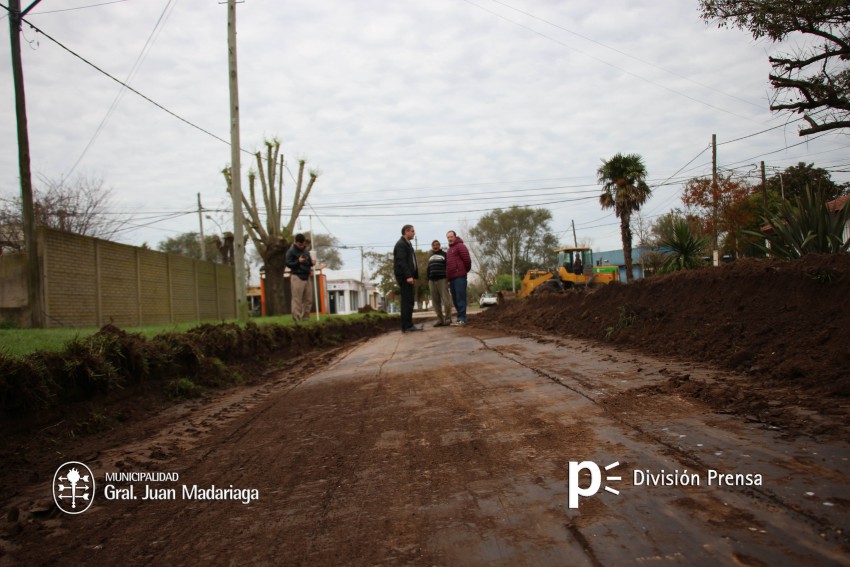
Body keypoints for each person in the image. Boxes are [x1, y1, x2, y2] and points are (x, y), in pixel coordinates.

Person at [393, 224, 422, 332]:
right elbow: (402, 262)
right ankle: (407, 326)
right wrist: (409, 276)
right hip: (405, 278)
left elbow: (411, 262)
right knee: (407, 301)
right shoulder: (401, 245)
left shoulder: (407, 244)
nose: (414, 233)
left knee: (409, 301)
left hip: (409, 277)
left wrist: (414, 276)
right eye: (412, 231)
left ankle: (408, 325)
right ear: (406, 232)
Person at [285, 233, 316, 322]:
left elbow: (309, 261)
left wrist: (311, 263)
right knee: (297, 299)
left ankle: (306, 317)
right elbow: (288, 264)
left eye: (303, 244)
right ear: (295, 242)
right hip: (297, 276)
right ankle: (296, 318)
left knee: (308, 299)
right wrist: (298, 262)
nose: (301, 246)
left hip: (306, 276)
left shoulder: (306, 250)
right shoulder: (291, 251)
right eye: (300, 245)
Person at [446, 230, 472, 327]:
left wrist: (463, 271)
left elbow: (467, 260)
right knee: (455, 299)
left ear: (455, 237)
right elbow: (448, 266)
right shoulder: (449, 250)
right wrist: (448, 278)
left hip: (459, 277)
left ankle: (462, 319)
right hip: (452, 278)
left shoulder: (460, 246)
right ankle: (460, 318)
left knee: (460, 298)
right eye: (448, 237)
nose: (450, 239)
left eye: (451, 236)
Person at [427, 239, 452, 327]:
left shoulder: (444, 255)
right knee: (435, 301)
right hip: (432, 281)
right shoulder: (430, 256)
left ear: (439, 246)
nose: (435, 246)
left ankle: (448, 318)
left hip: (442, 280)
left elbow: (448, 267)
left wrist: (448, 279)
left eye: (437, 244)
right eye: (434, 245)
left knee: (446, 300)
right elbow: (428, 268)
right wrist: (428, 279)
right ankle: (440, 320)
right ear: (432, 247)